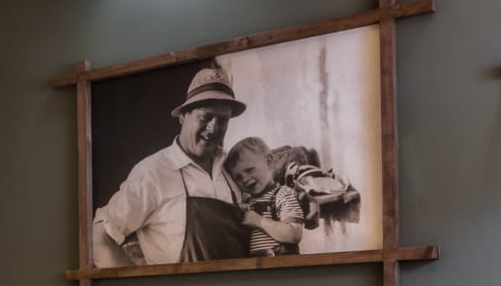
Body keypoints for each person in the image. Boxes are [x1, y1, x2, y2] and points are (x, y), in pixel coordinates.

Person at [93, 66, 252, 265]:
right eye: (205, 117)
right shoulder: (153, 172)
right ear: (183, 116)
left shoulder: (233, 165)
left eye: (223, 120)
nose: (213, 128)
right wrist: (136, 284)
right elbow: (99, 237)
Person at [227, 137, 361, 254]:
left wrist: (259, 221)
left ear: (269, 163)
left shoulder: (284, 194)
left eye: (249, 170)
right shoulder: (249, 201)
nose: (245, 179)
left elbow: (294, 234)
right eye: (238, 177)